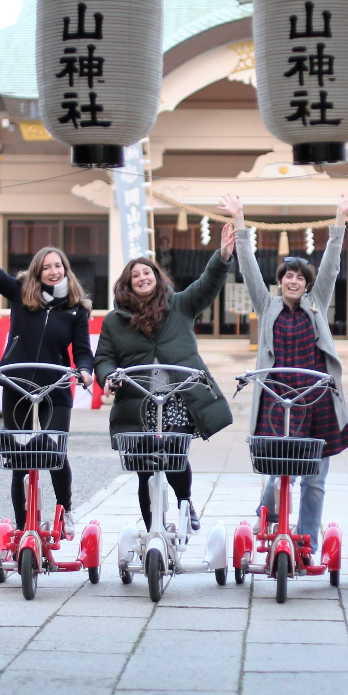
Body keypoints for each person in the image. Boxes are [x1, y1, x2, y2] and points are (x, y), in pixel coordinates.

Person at [219, 192, 348, 551]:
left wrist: (339, 218)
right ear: (280, 281)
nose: (294, 282)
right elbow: (248, 266)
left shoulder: (316, 305)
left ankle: (308, 542)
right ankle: (267, 513)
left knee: (314, 479)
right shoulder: (266, 305)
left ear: (306, 283)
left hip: (317, 402)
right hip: (276, 401)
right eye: (288, 276)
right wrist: (240, 219)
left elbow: (331, 265)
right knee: (275, 472)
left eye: (300, 277)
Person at [0, 194, 93, 536]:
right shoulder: (20, 292)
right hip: (16, 384)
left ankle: (66, 511)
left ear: (65, 269)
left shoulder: (76, 307)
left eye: (57, 265)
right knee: (19, 458)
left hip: (56, 387)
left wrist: (86, 371)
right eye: (46, 266)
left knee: (54, 450)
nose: (53, 270)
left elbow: (82, 349)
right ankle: (21, 528)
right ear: (37, 271)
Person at [94, 224, 236, 532]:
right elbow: (104, 358)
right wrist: (106, 377)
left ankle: (185, 501)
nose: (143, 278)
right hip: (136, 400)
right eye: (136, 275)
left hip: (178, 398)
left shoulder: (180, 305)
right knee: (144, 470)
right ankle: (152, 531)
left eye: (148, 273)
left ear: (157, 278)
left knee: (173, 453)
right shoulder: (114, 321)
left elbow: (207, 285)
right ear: (127, 284)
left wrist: (222, 257)